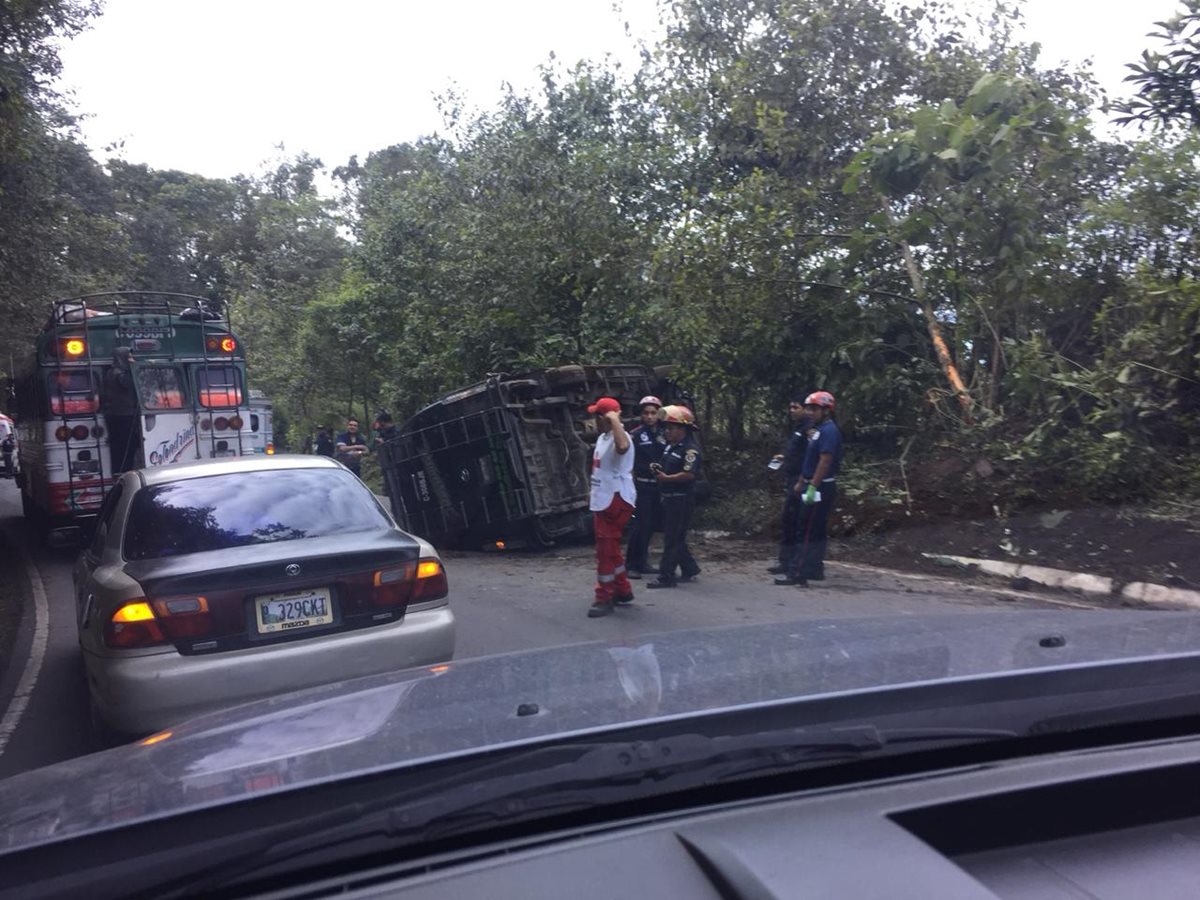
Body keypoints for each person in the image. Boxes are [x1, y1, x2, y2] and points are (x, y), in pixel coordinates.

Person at [777, 391, 843, 587]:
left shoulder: (829, 431)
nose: (810, 412)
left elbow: (825, 460)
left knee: (805, 530)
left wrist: (813, 485)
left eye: (814, 409)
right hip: (810, 482)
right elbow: (809, 459)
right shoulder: (817, 430)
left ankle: (797, 572)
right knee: (814, 529)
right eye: (808, 408)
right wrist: (802, 481)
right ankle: (814, 569)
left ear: (826, 411)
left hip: (820, 485)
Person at [586, 397, 637, 619]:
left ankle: (604, 597)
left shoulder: (620, 437)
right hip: (603, 498)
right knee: (611, 549)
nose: (595, 420)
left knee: (605, 551)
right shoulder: (602, 438)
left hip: (614, 499)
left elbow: (623, 446)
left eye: (598, 416)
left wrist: (614, 419)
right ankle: (623, 589)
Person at [646, 405, 702, 590]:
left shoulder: (690, 450)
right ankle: (690, 568)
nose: (667, 431)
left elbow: (689, 474)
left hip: (681, 499)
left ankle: (666, 576)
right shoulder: (671, 447)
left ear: (682, 429)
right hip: (668, 497)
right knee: (675, 536)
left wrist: (667, 478)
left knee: (672, 538)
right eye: (666, 428)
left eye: (671, 428)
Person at [767, 396, 814, 576]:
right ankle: (785, 561)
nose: (792, 410)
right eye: (790, 407)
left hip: (800, 480)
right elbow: (796, 452)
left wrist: (802, 480)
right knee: (788, 521)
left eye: (796, 407)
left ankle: (796, 564)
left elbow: (811, 457)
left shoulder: (809, 428)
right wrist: (783, 458)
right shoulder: (798, 427)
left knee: (795, 520)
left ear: (805, 408)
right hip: (792, 477)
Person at [625, 395, 666, 579]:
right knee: (640, 526)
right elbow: (629, 463)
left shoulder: (665, 434)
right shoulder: (635, 435)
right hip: (642, 486)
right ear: (641, 415)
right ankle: (632, 564)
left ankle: (643, 561)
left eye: (653, 413)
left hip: (660, 486)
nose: (650, 416)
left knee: (651, 526)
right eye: (646, 413)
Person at [102, 348, 140, 474]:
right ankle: (124, 472)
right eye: (128, 357)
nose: (131, 359)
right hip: (122, 417)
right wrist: (134, 367)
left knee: (128, 447)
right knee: (125, 448)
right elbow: (128, 384)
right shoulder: (118, 374)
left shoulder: (111, 372)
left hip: (120, 415)